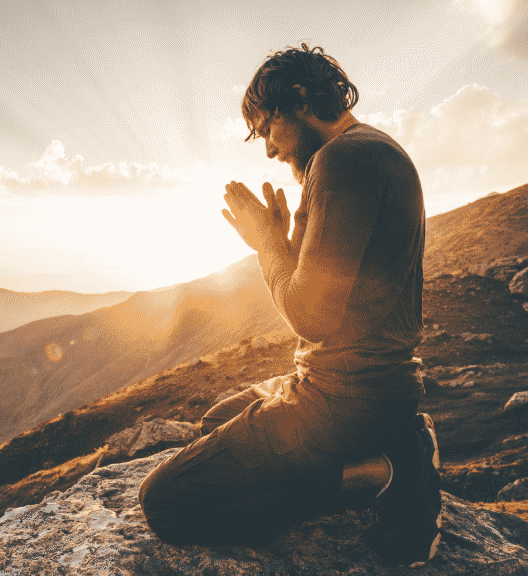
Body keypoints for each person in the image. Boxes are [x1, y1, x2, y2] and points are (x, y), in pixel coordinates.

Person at [137, 44, 442, 568]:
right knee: (216, 423)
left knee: (165, 503)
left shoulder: (343, 159)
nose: (269, 152)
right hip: (375, 389)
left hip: (343, 400)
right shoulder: (373, 150)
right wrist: (286, 241)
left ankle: (378, 473)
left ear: (298, 98)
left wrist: (266, 246)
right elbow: (344, 287)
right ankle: (400, 439)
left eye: (265, 129)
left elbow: (312, 318)